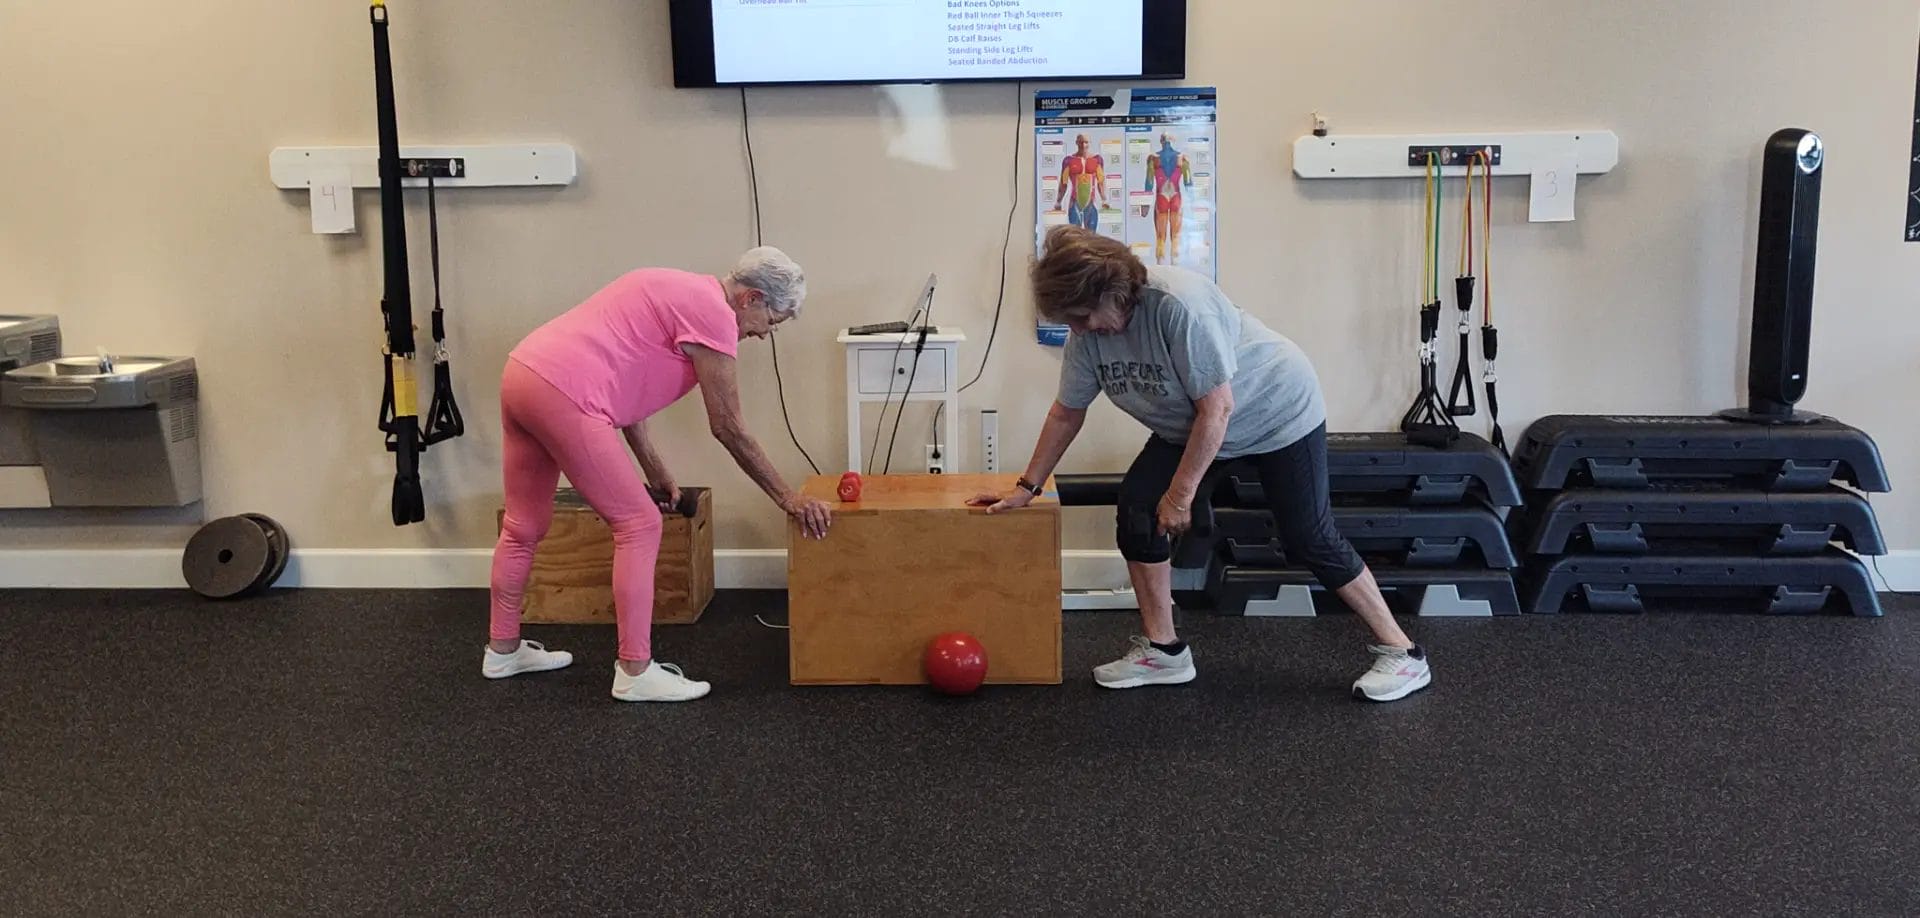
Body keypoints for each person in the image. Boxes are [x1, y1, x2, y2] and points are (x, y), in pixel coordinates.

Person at [972, 226, 1432, 702]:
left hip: (1275, 411)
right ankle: (1164, 652)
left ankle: (1404, 654)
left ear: (1116, 292)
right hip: (1190, 425)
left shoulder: (1178, 305)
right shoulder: (1087, 336)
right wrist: (1028, 485)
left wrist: (1181, 495)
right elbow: (1067, 411)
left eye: (1085, 316)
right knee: (1137, 508)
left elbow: (1219, 409)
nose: (1081, 329)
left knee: (1307, 534)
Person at [484, 248, 835, 703]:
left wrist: (653, 466)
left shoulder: (673, 285)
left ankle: (503, 649)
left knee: (523, 525)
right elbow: (727, 426)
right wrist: (789, 498)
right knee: (639, 525)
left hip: (524, 375)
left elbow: (627, 379)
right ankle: (635, 670)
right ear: (751, 298)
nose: (765, 335)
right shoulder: (715, 315)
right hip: (568, 395)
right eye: (773, 321)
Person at [1146, 133, 1193, 265]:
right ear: (1173, 140)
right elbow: (1188, 182)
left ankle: (1160, 262)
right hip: (1175, 196)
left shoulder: (1153, 158)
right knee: (1175, 235)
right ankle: (1175, 262)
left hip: (1161, 195)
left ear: (1161, 141)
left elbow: (1148, 184)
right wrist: (1194, 200)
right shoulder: (1182, 158)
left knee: (1160, 236)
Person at [1055, 133, 1108, 233]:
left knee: (1091, 236)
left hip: (1091, 203)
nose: (1083, 145)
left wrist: (1104, 199)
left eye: (1086, 142)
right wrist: (1058, 201)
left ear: (1089, 143)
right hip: (1075, 202)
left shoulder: (1097, 160)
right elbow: (1063, 183)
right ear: (1076, 143)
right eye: (1081, 142)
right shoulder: (1069, 160)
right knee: (1076, 236)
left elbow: (1100, 181)